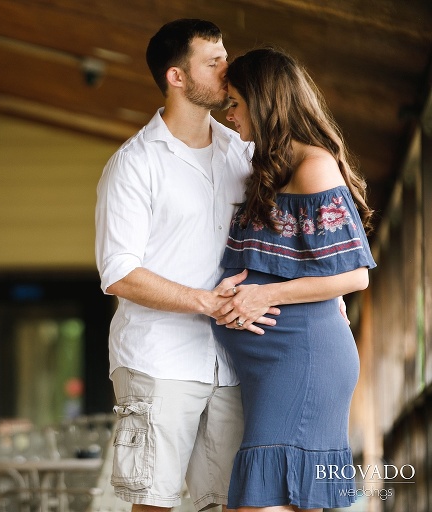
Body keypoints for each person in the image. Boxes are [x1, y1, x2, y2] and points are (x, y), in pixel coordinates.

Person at [95, 19, 279, 512]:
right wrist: (206, 301)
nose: (227, 68)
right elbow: (118, 271)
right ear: (177, 77)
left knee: (225, 502)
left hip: (232, 362)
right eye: (213, 61)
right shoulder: (135, 164)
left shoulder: (243, 151)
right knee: (153, 502)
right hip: (159, 361)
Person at [210, 47, 376, 512]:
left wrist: (266, 294)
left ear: (264, 104)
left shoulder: (314, 166)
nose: (230, 114)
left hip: (302, 360)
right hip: (272, 366)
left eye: (236, 102)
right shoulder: (270, 168)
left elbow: (354, 274)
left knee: (258, 503)